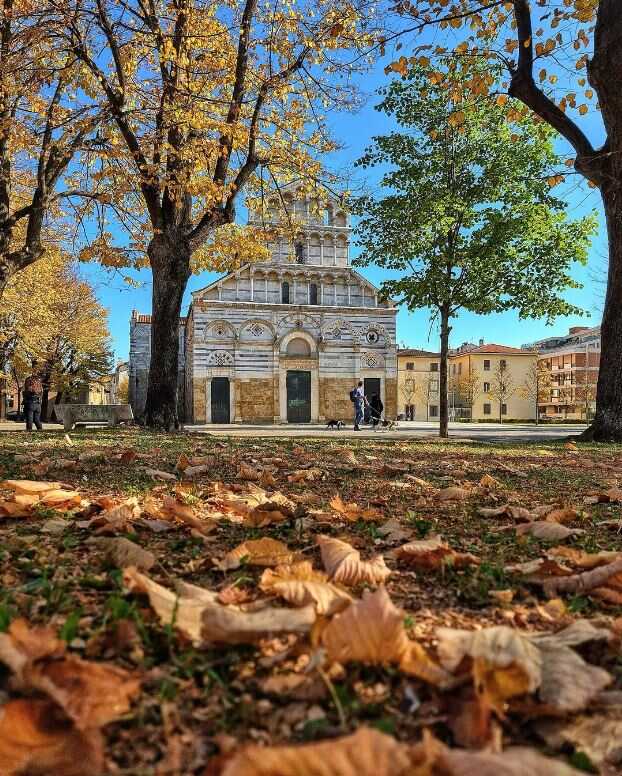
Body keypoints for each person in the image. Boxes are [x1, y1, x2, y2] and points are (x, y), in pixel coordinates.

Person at [23, 364, 43, 432]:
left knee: (30, 419)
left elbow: (28, 390)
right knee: (37, 419)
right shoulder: (39, 382)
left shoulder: (28, 380)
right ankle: (40, 430)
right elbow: (41, 392)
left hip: (31, 402)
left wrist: (25, 396)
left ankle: (29, 432)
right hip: (38, 403)